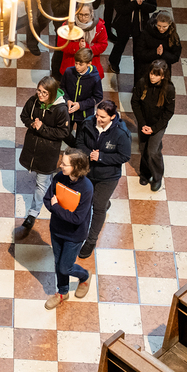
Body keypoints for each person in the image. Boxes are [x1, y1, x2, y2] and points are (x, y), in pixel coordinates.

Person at [16, 76, 70, 240]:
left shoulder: (60, 110)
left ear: (52, 93)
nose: (40, 95)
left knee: (41, 183)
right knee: (42, 180)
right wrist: (32, 124)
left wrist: (42, 129)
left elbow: (63, 132)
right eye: (39, 91)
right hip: (33, 148)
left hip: (48, 153)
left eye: (44, 93)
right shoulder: (33, 101)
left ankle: (33, 212)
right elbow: (24, 116)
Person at [76, 98, 131, 258]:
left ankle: (91, 240)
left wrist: (101, 157)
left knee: (98, 207)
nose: (98, 119)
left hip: (108, 176)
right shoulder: (88, 123)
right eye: (97, 115)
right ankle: (105, 202)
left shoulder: (121, 133)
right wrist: (90, 154)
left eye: (102, 117)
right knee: (85, 201)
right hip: (87, 171)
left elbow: (124, 156)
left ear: (112, 117)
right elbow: (79, 142)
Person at [42, 149, 93, 309]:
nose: (60, 165)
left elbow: (77, 218)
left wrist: (57, 208)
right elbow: (47, 199)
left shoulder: (86, 188)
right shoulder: (59, 177)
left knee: (65, 267)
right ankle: (63, 292)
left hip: (74, 234)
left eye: (64, 164)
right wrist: (58, 209)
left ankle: (85, 275)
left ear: (76, 167)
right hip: (57, 229)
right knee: (58, 263)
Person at [131, 59, 175, 192]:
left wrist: (154, 128)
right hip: (144, 123)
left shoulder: (169, 89)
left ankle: (157, 177)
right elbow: (135, 102)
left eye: (156, 75)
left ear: (163, 76)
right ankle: (145, 173)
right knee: (143, 148)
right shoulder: (142, 83)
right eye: (151, 73)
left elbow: (169, 112)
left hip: (158, 125)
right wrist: (142, 123)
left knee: (152, 151)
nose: (152, 77)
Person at [109, 0, 157, 75]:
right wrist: (135, 3)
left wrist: (142, 4)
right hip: (124, 22)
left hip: (140, 23)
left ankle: (138, 70)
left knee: (138, 48)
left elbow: (153, 7)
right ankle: (113, 62)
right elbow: (120, 8)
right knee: (120, 44)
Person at [50, 2, 108, 82]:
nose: (83, 18)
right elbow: (61, 44)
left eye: (86, 15)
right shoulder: (68, 25)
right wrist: (78, 46)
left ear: (91, 13)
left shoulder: (99, 27)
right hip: (72, 61)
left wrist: (87, 48)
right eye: (80, 14)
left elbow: (103, 45)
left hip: (90, 62)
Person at [59, 47, 103, 148]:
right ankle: (75, 146)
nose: (77, 67)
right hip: (68, 111)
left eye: (80, 64)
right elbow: (62, 88)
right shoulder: (68, 72)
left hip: (84, 115)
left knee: (81, 138)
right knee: (63, 133)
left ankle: (78, 150)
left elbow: (98, 97)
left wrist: (80, 105)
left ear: (89, 63)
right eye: (76, 63)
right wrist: (67, 100)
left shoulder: (95, 78)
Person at [133, 10, 181, 86]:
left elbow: (175, 57)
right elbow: (139, 53)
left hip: (163, 72)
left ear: (170, 24)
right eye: (159, 26)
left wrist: (163, 53)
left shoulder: (173, 36)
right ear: (155, 23)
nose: (161, 29)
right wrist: (155, 52)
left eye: (164, 27)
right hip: (145, 69)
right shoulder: (146, 33)